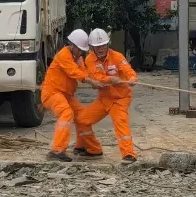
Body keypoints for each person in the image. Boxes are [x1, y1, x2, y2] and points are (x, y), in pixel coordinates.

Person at [40, 29, 105, 162]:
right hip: (52, 93)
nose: (81, 52)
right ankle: (56, 150)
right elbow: (73, 72)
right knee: (66, 113)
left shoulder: (78, 58)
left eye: (82, 50)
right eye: (79, 49)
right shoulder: (63, 55)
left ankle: (88, 147)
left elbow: (83, 72)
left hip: (67, 95)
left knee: (83, 116)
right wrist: (89, 81)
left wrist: (97, 80)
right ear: (72, 45)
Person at [77, 28, 138, 165]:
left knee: (121, 123)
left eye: (103, 45)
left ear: (108, 44)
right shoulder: (90, 59)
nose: (101, 49)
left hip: (120, 98)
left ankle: (129, 154)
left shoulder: (117, 57)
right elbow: (95, 76)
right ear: (92, 47)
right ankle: (94, 149)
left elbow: (128, 71)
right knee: (82, 121)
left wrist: (132, 79)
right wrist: (110, 79)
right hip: (104, 100)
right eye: (97, 47)